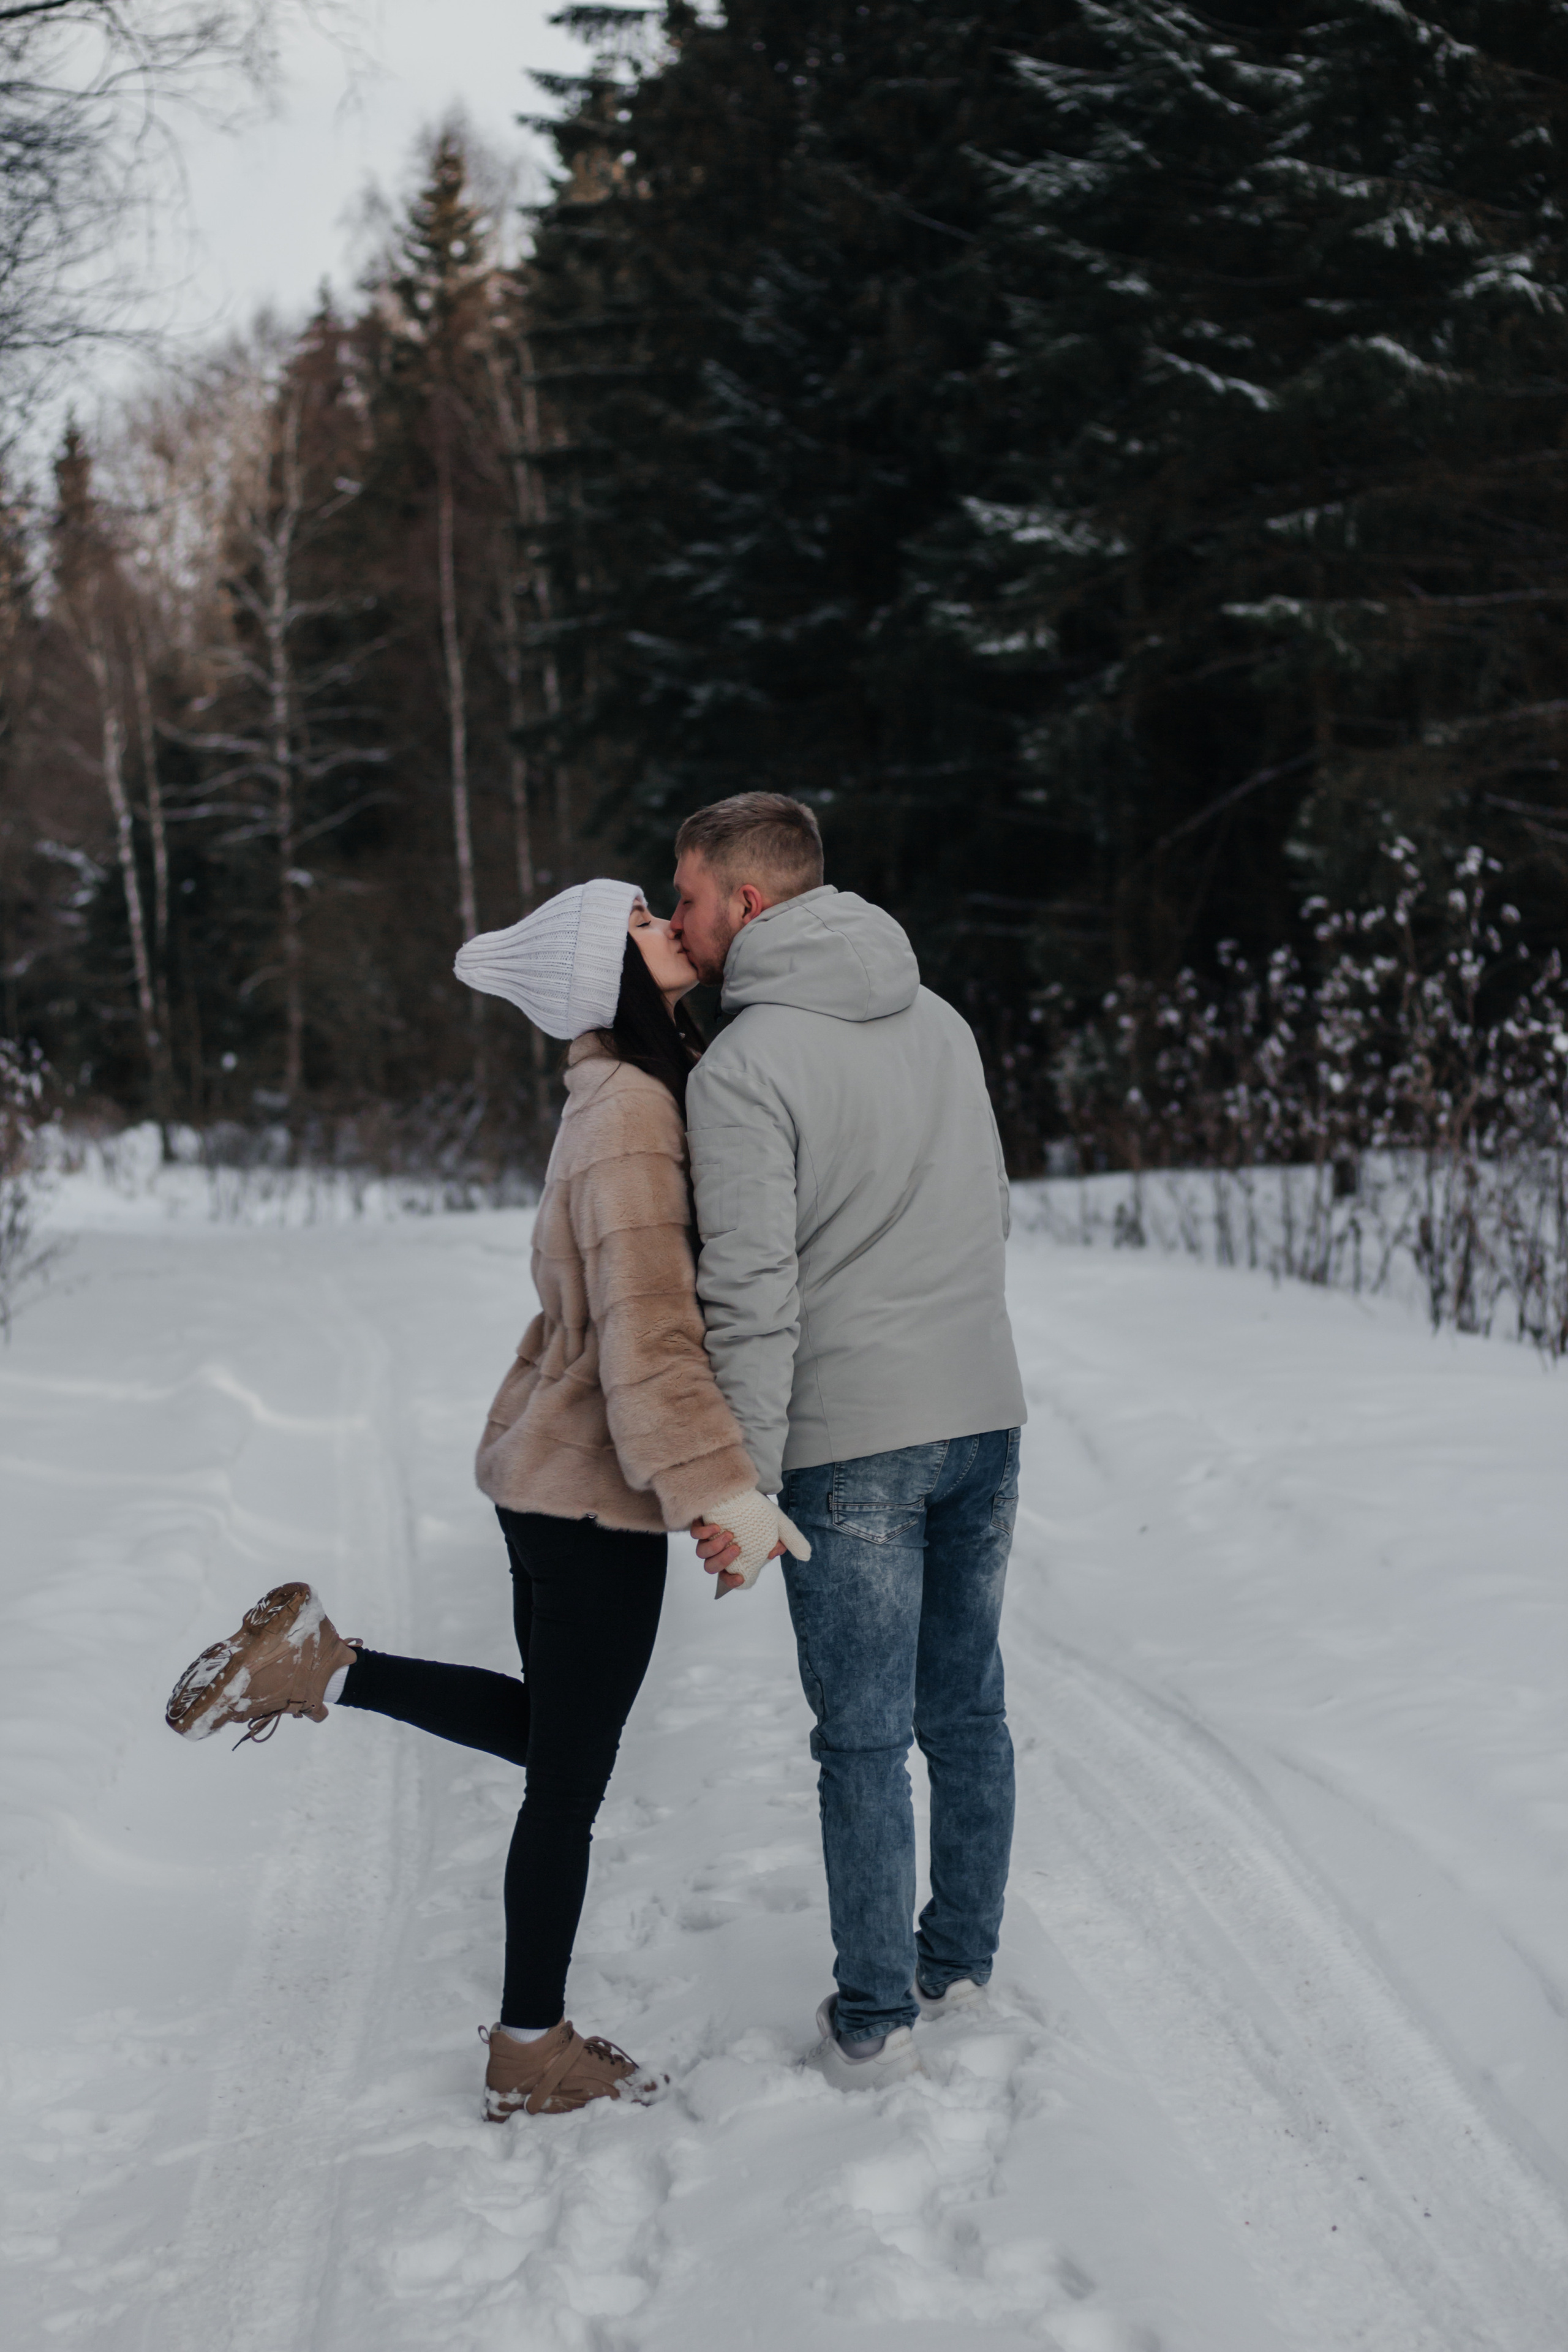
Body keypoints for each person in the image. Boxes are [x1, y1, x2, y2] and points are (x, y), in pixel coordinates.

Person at [163, 880, 807, 2121]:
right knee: (566, 1776)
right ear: (603, 977)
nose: (664, 923)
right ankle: (530, 2049)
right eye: (637, 921)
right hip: (587, 1489)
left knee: (554, 1739)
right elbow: (647, 1329)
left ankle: (321, 1667)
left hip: (557, 1480)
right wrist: (719, 1488)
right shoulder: (628, 1114)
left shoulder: (628, 1089)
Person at [669, 793, 1027, 2092]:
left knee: (864, 1738)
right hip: (982, 1410)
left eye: (689, 898)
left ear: (746, 904)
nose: (677, 921)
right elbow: (987, 1205)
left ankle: (875, 2016)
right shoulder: (939, 1019)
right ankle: (960, 1959)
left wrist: (739, 1483)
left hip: (853, 1439)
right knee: (966, 1707)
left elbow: (751, 1293)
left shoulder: (746, 1067)